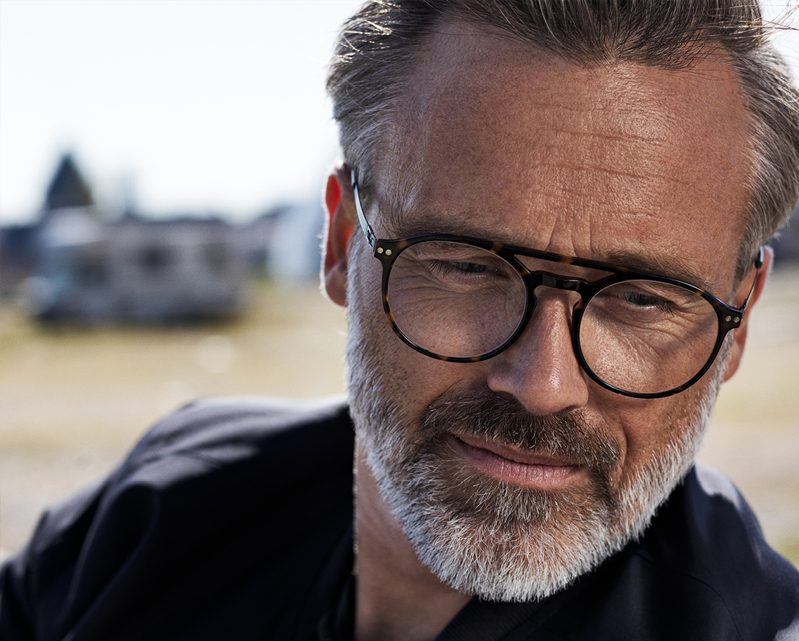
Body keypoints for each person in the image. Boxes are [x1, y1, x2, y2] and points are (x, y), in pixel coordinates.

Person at [2, 1, 799, 639]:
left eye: (642, 297)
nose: (542, 383)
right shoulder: (161, 514)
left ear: (736, 323)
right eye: (467, 264)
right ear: (342, 241)